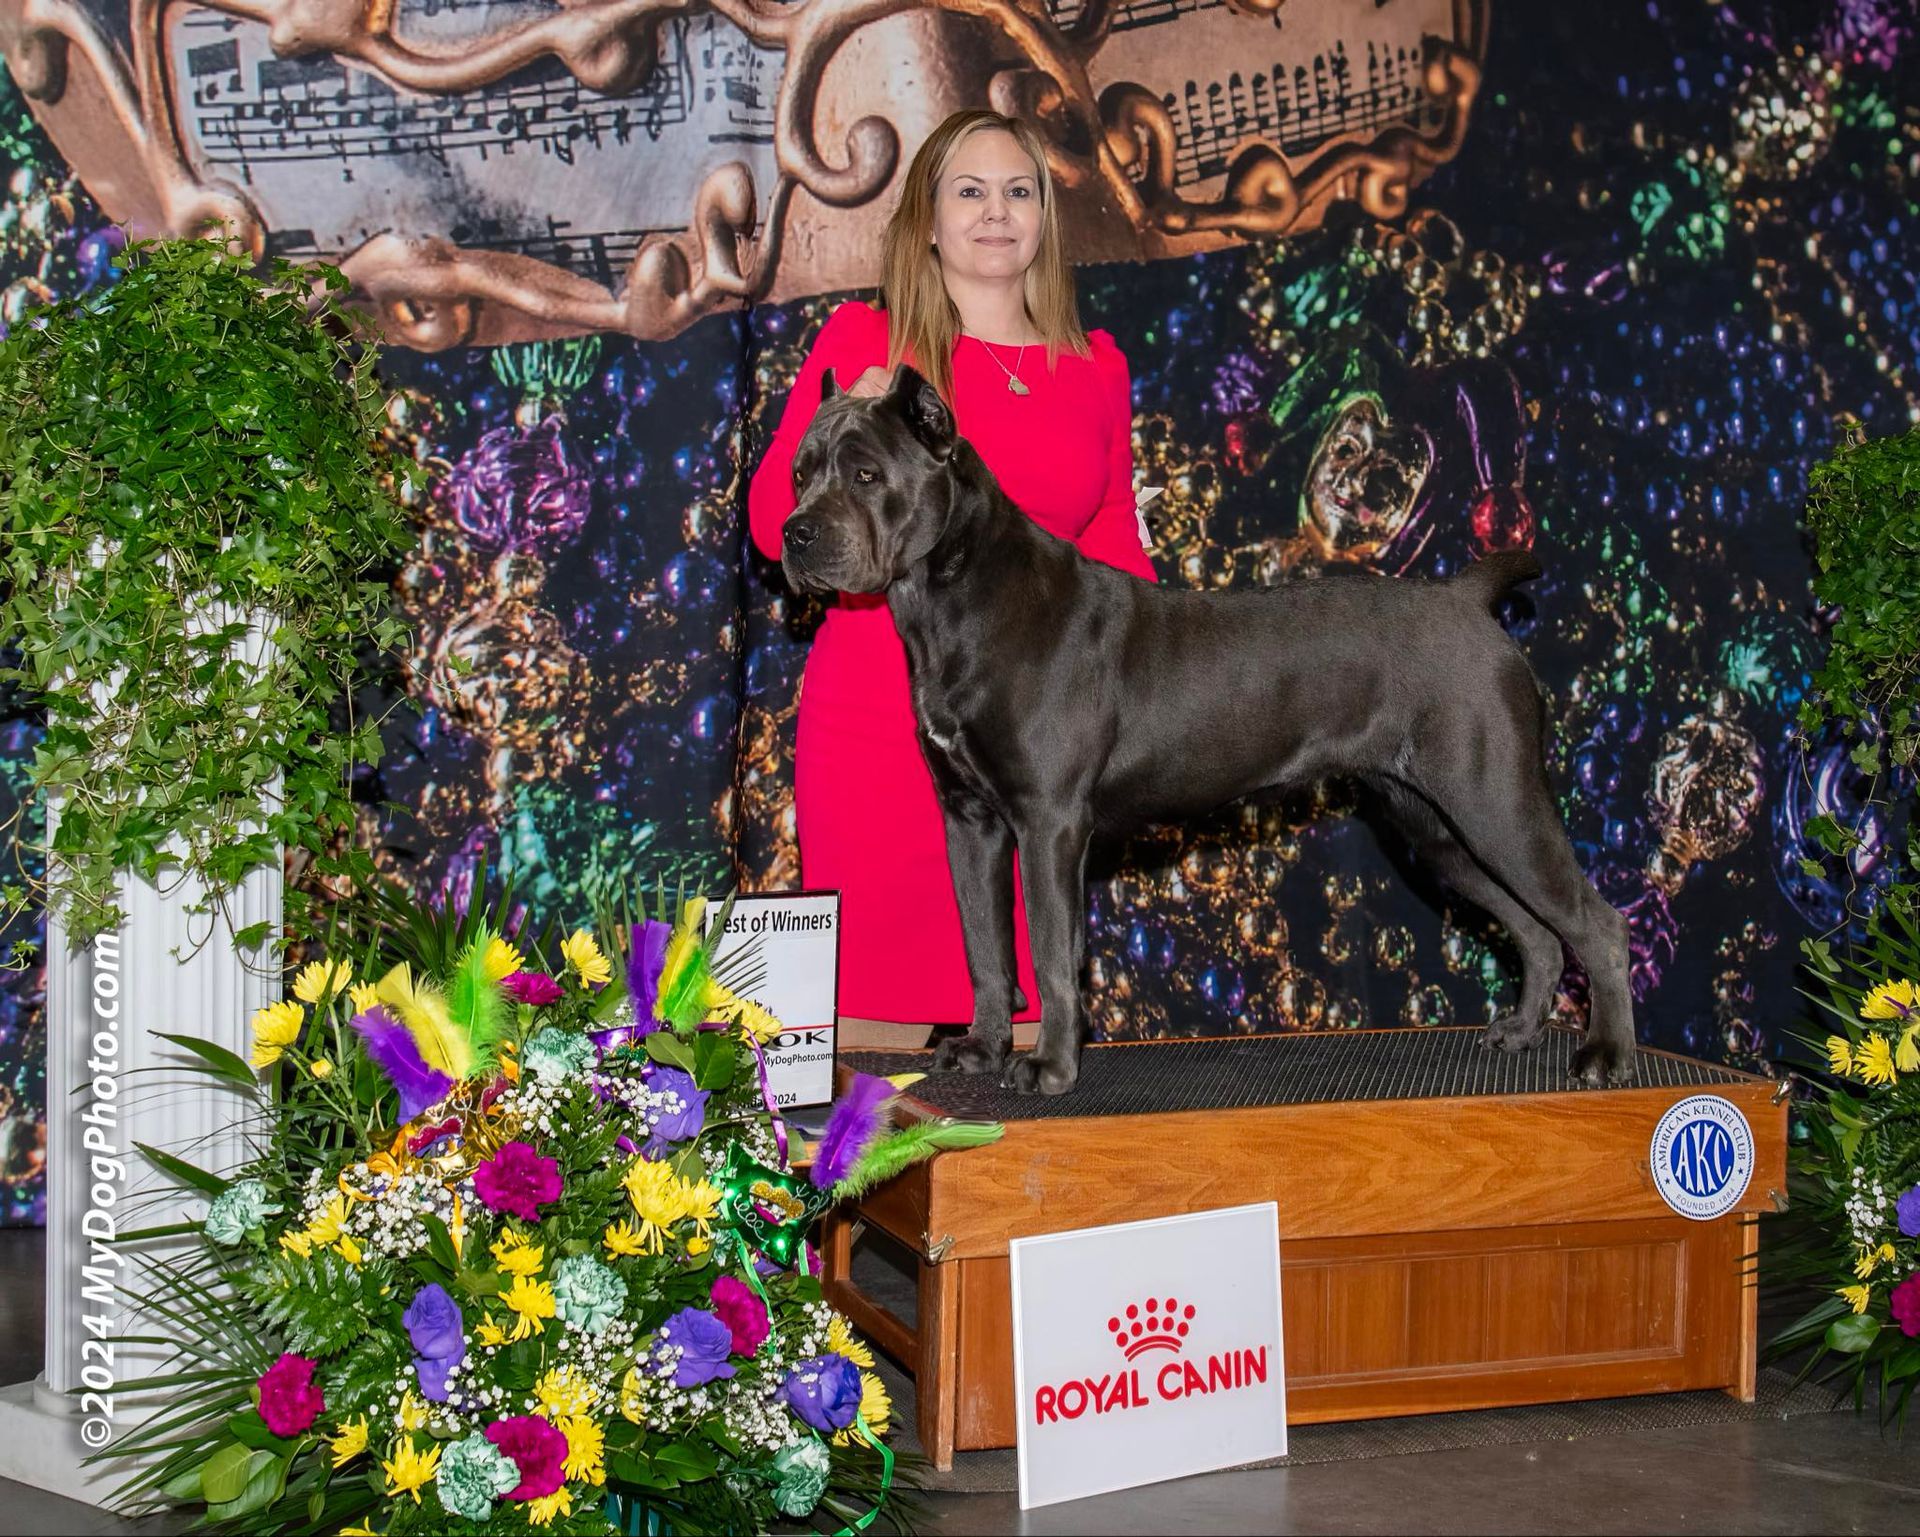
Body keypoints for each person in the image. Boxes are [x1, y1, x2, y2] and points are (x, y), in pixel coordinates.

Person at [747, 109, 1158, 1047]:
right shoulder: (865, 343)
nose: (996, 212)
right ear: (926, 222)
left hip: (1035, 750)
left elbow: (1121, 561)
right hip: (878, 730)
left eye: (1019, 192)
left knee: (1022, 1096)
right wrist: (834, 427)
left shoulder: (1095, 368)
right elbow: (778, 525)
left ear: (1046, 220)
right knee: (865, 1093)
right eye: (969, 191)